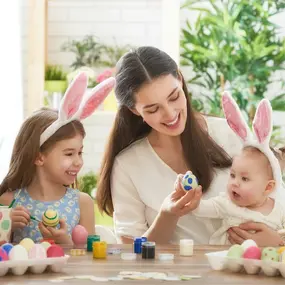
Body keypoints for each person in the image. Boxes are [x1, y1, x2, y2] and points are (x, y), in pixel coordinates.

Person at [96, 46, 285, 246]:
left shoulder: (230, 135)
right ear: (134, 110)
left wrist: (278, 241)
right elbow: (129, 248)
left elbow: (277, 202)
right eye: (153, 109)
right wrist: (168, 216)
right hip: (178, 275)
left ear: (180, 78)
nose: (170, 114)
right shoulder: (128, 165)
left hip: (245, 269)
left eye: (174, 97)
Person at [0, 73, 115, 244]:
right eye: (69, 154)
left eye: (80, 153)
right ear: (39, 157)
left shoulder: (82, 203)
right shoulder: (8, 201)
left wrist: (65, 242)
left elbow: (89, 262)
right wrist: (5, 226)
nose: (78, 162)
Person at [175, 93, 285, 245]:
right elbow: (200, 209)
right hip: (229, 262)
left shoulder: (278, 210)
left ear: (268, 187)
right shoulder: (226, 203)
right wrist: (190, 193)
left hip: (265, 265)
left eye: (244, 179)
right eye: (233, 175)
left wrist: (278, 241)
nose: (235, 183)